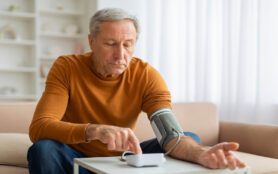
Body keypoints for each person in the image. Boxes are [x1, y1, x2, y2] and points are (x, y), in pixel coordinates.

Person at [27, 8, 246, 174]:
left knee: (189, 139)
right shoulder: (67, 67)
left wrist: (201, 155)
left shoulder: (146, 75)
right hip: (74, 157)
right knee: (43, 149)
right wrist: (95, 130)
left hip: (124, 161)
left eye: (128, 44)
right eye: (110, 43)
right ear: (92, 42)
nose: (120, 54)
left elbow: (169, 133)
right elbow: (40, 127)